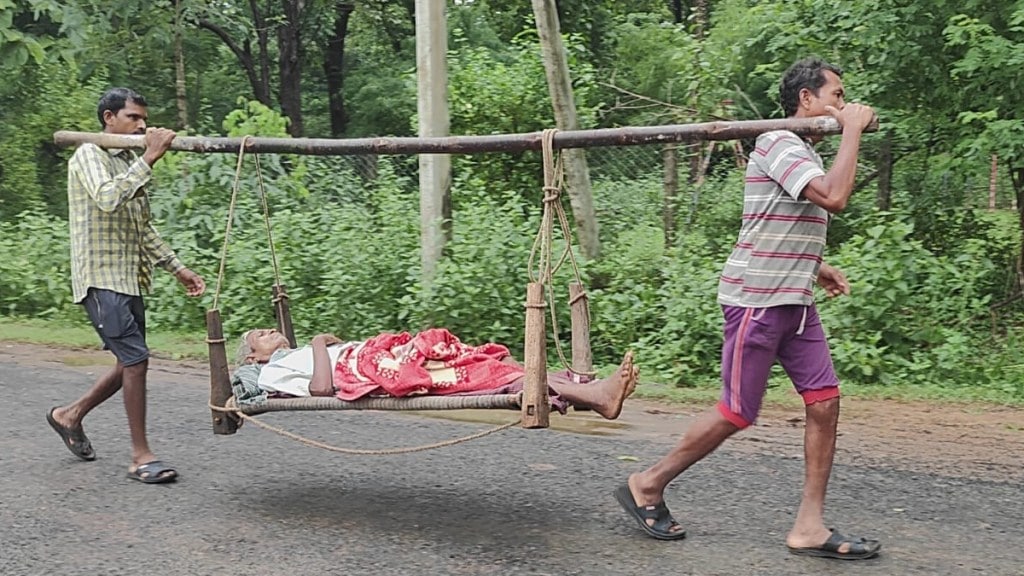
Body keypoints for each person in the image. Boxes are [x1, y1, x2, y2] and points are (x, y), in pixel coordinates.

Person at [613, 57, 882, 560]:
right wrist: (851, 131)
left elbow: (783, 217)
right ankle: (647, 484)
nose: (843, 105)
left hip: (794, 301)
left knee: (824, 403)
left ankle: (808, 525)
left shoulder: (799, 149)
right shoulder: (778, 140)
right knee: (738, 410)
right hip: (757, 301)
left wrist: (815, 265)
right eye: (837, 96)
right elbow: (834, 197)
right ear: (807, 99)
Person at [46, 88, 206, 485]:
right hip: (100, 279)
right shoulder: (89, 154)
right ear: (109, 119)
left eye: (143, 119)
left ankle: (70, 415)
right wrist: (150, 157)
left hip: (129, 278)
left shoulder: (128, 159)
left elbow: (141, 225)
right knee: (136, 360)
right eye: (134, 118)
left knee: (128, 361)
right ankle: (141, 456)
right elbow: (106, 199)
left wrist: (177, 267)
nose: (142, 126)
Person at [231, 328, 638, 420]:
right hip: (367, 370)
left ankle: (594, 394)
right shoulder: (273, 372)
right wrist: (321, 343)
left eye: (268, 327)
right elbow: (321, 388)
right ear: (253, 359)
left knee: (480, 365)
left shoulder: (293, 354)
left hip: (378, 354)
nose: (269, 331)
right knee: (477, 376)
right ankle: (598, 397)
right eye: (259, 336)